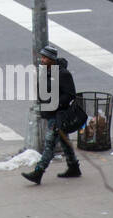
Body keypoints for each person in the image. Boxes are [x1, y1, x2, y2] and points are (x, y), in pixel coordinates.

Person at [23, 46, 82, 184]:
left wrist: (54, 103)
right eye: (42, 57)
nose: (42, 60)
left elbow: (70, 94)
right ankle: (73, 167)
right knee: (64, 141)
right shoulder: (45, 72)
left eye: (45, 58)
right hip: (50, 113)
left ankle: (38, 172)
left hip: (59, 115)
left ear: (52, 59)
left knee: (49, 144)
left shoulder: (63, 74)